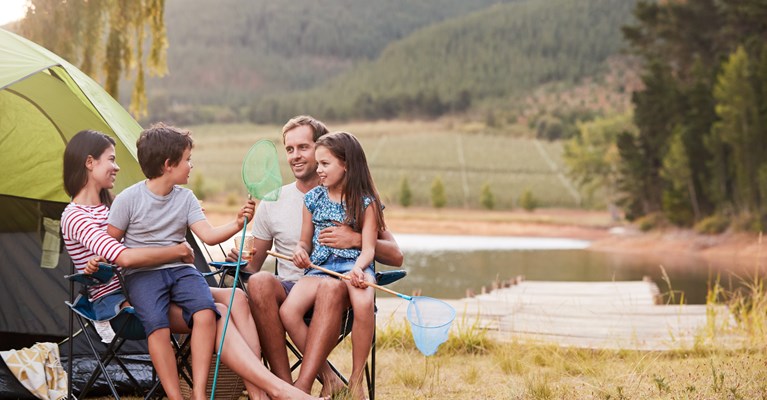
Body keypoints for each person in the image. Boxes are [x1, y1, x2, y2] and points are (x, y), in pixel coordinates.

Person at [101, 124, 323, 400]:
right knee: (156, 327)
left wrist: (238, 222)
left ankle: (199, 391)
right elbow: (110, 241)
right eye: (187, 160)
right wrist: (99, 265)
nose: (191, 166)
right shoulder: (128, 199)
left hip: (181, 272)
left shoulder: (185, 198)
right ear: (169, 165)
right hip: (143, 276)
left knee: (207, 313)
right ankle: (175, 396)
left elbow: (208, 235)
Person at [229, 116, 403, 396]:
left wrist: (355, 239)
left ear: (324, 149)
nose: (295, 156)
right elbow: (251, 266)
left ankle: (304, 383)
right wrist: (237, 256)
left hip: (338, 285)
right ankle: (285, 387)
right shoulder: (274, 200)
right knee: (260, 282)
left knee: (330, 287)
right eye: (289, 149)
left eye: (303, 147)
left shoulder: (357, 198)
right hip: (295, 287)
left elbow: (396, 256)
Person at [286, 131, 385, 399]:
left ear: (347, 165)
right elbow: (305, 242)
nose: (318, 170)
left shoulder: (365, 202)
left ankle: (355, 379)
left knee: (364, 303)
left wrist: (359, 268)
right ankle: (326, 374)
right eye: (318, 164)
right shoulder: (313, 199)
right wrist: (299, 251)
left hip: (355, 265)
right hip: (319, 269)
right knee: (288, 312)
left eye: (325, 164)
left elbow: (369, 249)